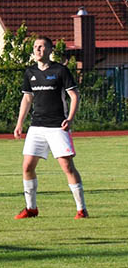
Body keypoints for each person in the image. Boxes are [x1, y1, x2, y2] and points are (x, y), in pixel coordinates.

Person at [13, 35, 88, 219]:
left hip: (57, 127)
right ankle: (31, 208)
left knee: (67, 167)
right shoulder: (30, 72)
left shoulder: (60, 70)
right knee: (27, 167)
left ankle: (81, 209)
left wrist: (70, 119)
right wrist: (19, 123)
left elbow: (74, 96)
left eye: (41, 46)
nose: (37, 50)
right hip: (36, 127)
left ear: (50, 50)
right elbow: (27, 98)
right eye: (35, 47)